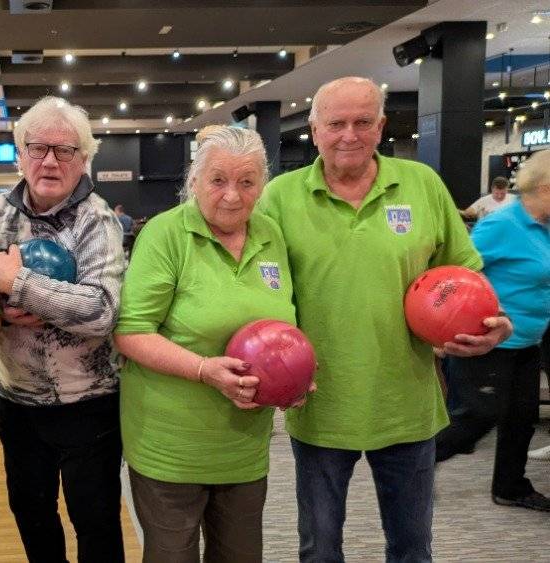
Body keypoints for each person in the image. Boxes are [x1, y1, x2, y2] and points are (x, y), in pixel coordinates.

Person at [258, 76, 513, 562]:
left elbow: (465, 274)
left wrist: (493, 320)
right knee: (319, 550)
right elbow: (261, 293)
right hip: (320, 405)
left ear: (381, 126)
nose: (349, 135)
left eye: (362, 122)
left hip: (406, 405)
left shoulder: (422, 184)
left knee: (412, 549)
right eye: (336, 123)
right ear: (314, 129)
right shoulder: (280, 197)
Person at [114, 125, 312, 563]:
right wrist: (205, 370)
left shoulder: (270, 234)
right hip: (171, 447)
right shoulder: (166, 234)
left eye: (247, 182)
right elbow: (130, 331)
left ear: (262, 185)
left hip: (243, 447)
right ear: (194, 181)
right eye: (217, 180)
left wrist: (293, 377)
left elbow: (284, 324)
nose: (232, 196)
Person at [0, 96, 127, 563]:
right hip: (16, 399)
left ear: (83, 160)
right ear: (20, 154)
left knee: (96, 522)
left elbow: (101, 309)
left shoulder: (98, 220)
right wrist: (5, 308)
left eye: (64, 151)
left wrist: (18, 285)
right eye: (38, 148)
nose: (49, 161)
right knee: (31, 513)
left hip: (89, 404)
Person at [435, 149, 550, 511]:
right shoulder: (502, 225)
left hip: (529, 340)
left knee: (521, 419)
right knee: (477, 417)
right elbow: (457, 272)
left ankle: (510, 487)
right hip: (489, 343)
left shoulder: (545, 227)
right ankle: (414, 466)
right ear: (545, 188)